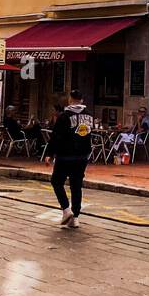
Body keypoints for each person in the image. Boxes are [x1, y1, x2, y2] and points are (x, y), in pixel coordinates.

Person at [48, 90, 93, 229]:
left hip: (65, 156)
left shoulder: (64, 116)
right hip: (82, 156)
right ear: (82, 99)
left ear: (70, 99)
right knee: (76, 185)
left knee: (56, 181)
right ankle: (76, 218)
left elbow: (56, 136)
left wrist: (50, 153)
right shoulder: (89, 115)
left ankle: (66, 210)